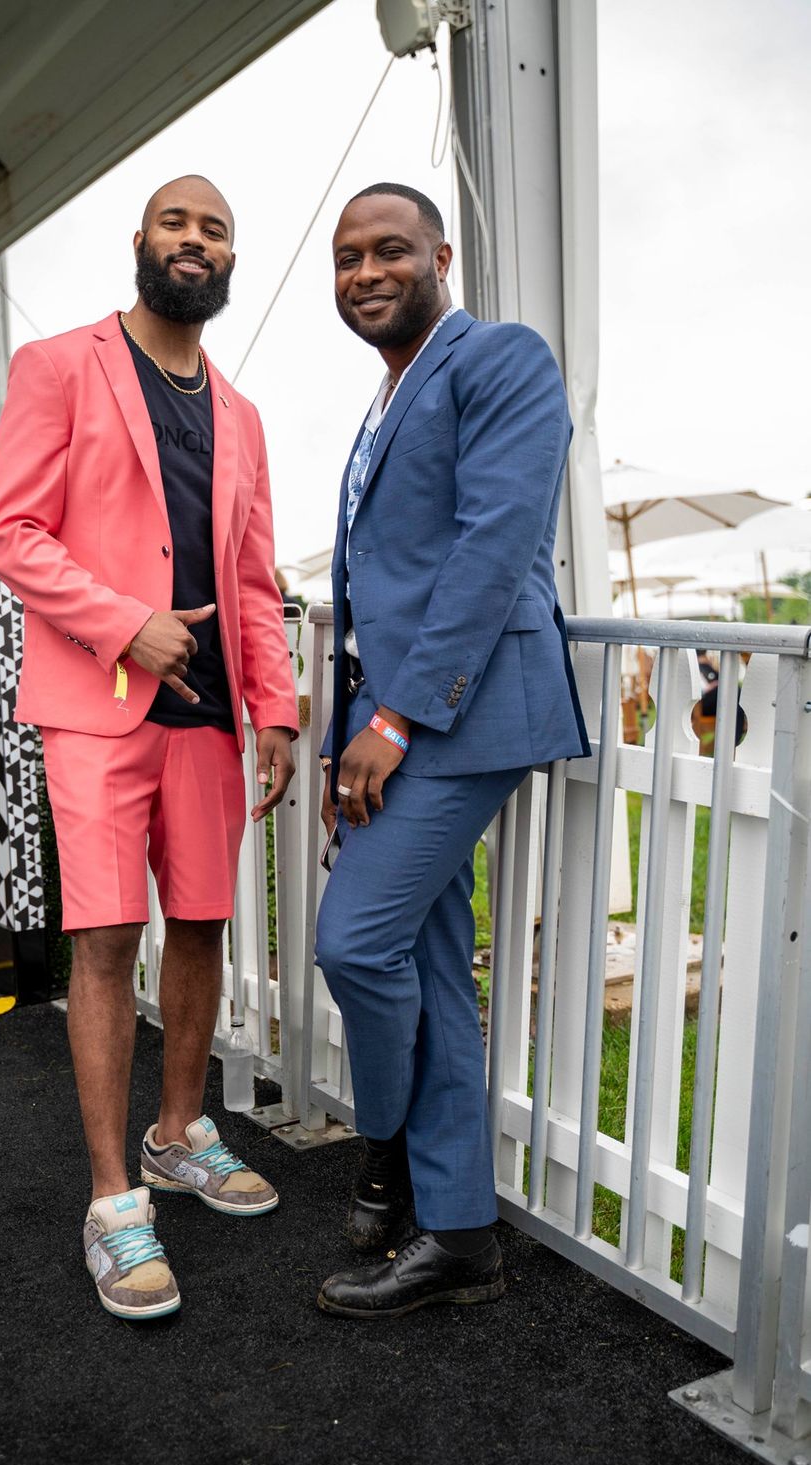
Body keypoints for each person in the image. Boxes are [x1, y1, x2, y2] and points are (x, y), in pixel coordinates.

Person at [0, 175, 298, 1321]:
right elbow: (9, 530)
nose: (196, 241)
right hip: (96, 709)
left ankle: (180, 1133)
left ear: (227, 259)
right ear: (141, 243)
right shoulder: (61, 366)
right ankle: (115, 1199)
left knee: (203, 928)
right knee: (107, 941)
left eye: (216, 227)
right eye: (178, 222)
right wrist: (126, 623)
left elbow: (254, 581)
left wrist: (275, 710)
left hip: (210, 721)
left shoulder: (244, 417)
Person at [313, 183, 590, 1319]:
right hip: (399, 716)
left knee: (351, 944)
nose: (365, 272)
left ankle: (383, 1150)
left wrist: (392, 720)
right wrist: (357, 723)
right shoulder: (384, 396)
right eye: (345, 258)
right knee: (427, 970)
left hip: (463, 714)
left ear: (439, 256)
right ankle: (461, 1232)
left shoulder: (501, 357)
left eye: (388, 251)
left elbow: (492, 545)